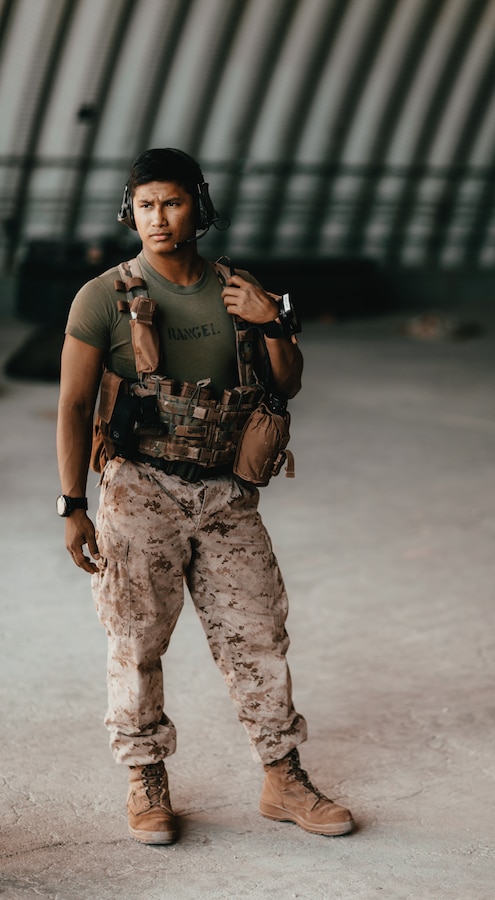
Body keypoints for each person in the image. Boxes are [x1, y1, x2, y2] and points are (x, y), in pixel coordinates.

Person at [56, 148, 353, 845]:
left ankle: (283, 777)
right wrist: (72, 506)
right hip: (139, 490)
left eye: (173, 202)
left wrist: (271, 319)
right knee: (135, 641)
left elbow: (289, 383)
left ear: (199, 205)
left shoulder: (239, 288)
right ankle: (146, 779)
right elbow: (72, 406)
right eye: (146, 205)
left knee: (258, 634)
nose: (158, 218)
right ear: (129, 211)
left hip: (225, 494)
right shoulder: (104, 296)